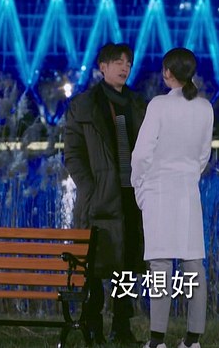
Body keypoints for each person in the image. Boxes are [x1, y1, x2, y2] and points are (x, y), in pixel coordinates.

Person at [64, 43, 147, 345]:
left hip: (131, 197)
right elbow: (73, 154)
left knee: (126, 267)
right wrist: (91, 187)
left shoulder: (137, 104)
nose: (125, 68)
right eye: (118, 62)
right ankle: (93, 326)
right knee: (94, 268)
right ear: (103, 67)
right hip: (99, 198)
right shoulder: (84, 105)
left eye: (129, 63)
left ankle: (122, 327)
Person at [131, 48, 213, 348]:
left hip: (158, 189)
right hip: (188, 190)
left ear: (168, 72)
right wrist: (189, 176)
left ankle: (156, 340)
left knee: (160, 265)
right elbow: (203, 155)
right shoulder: (205, 107)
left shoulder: (159, 105)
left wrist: (139, 185)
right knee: (194, 265)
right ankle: (192, 340)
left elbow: (141, 153)